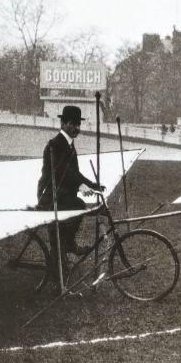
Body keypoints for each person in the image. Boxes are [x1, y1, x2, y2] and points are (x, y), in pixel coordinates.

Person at [37, 105, 104, 273]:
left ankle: (65, 248)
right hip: (51, 195)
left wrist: (92, 185)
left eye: (78, 124)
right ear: (63, 123)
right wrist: (82, 186)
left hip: (62, 195)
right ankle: (67, 248)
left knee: (77, 208)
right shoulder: (55, 144)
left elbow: (75, 173)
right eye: (72, 124)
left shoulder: (69, 145)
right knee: (79, 207)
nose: (76, 128)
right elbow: (62, 173)